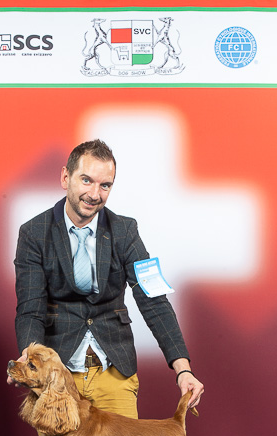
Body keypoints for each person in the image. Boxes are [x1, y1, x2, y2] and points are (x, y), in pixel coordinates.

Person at [11, 139, 203, 419]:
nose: (94, 194)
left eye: (105, 185)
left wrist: (183, 369)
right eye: (86, 180)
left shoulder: (125, 231)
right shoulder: (34, 233)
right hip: (58, 377)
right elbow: (31, 308)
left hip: (115, 370)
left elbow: (153, 300)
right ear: (65, 177)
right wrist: (29, 357)